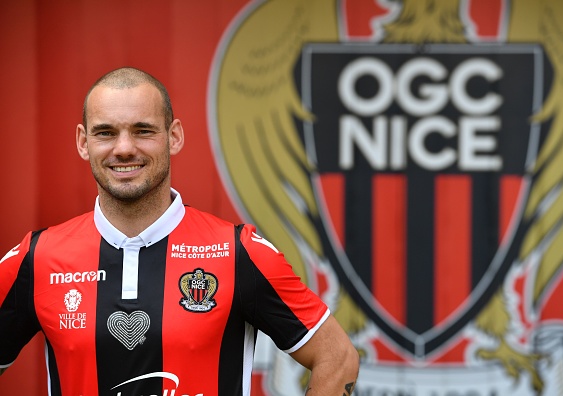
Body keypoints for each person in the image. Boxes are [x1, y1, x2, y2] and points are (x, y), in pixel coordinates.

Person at [0, 67, 359, 395]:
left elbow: (338, 358)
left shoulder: (239, 253)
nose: (124, 148)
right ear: (83, 142)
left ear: (174, 136)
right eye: (106, 133)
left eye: (143, 131)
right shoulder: (38, 257)